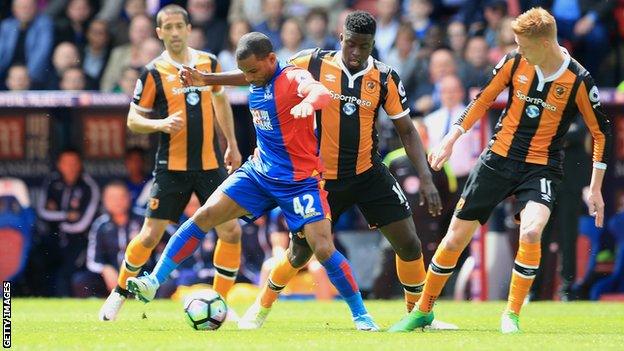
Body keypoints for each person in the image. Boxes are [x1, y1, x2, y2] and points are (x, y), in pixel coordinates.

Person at [179, 10, 451, 330]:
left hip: (367, 172)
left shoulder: (385, 78)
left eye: (363, 46)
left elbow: (406, 130)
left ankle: (418, 317)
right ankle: (261, 306)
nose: (355, 52)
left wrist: (426, 178)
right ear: (341, 39)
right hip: (319, 177)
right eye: (350, 44)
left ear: (372, 45)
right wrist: (210, 79)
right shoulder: (313, 62)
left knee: (409, 243)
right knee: (299, 254)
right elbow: (261, 74)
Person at [129, 31, 380, 331]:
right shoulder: (257, 76)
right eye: (246, 71)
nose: (249, 77)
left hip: (299, 181)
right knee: (204, 215)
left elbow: (320, 92)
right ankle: (153, 281)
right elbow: (244, 75)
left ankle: (361, 316)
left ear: (271, 59)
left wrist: (309, 104)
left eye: (253, 70)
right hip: (259, 172)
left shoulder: (292, 77)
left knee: (322, 249)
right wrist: (208, 80)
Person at [389, 7, 611, 334]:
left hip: (541, 167)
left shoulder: (578, 79)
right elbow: (482, 100)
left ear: (546, 43)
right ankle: (423, 310)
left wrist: (595, 188)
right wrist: (452, 137)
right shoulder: (513, 62)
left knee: (532, 231)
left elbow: (601, 132)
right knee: (453, 241)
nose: (518, 49)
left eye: (524, 44)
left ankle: (512, 314)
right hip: (497, 160)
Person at [98, 5, 242, 322]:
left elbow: (220, 100)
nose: (175, 32)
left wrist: (231, 144)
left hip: (210, 166)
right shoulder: (152, 71)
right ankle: (119, 294)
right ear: (159, 32)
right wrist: (160, 124)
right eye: (168, 27)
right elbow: (134, 119)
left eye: (180, 26)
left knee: (230, 231)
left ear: (189, 28)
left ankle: (221, 301)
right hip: (171, 167)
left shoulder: (209, 63)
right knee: (150, 235)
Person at [37, 149, 101, 296]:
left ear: (80, 165)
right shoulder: (52, 181)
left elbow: (83, 223)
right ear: (59, 165)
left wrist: (59, 219)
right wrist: (66, 215)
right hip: (53, 238)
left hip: (79, 241)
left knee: (68, 275)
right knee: (42, 267)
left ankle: (67, 304)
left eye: (74, 163)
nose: (70, 167)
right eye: (66, 163)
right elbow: (41, 212)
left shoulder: (89, 185)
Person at [75, 181, 144, 298]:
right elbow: (92, 260)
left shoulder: (144, 220)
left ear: (128, 198)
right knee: (81, 281)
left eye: (121, 197)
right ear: (105, 201)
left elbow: (169, 241)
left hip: (141, 275)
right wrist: (105, 269)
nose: (117, 202)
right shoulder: (100, 225)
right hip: (110, 278)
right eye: (112, 198)